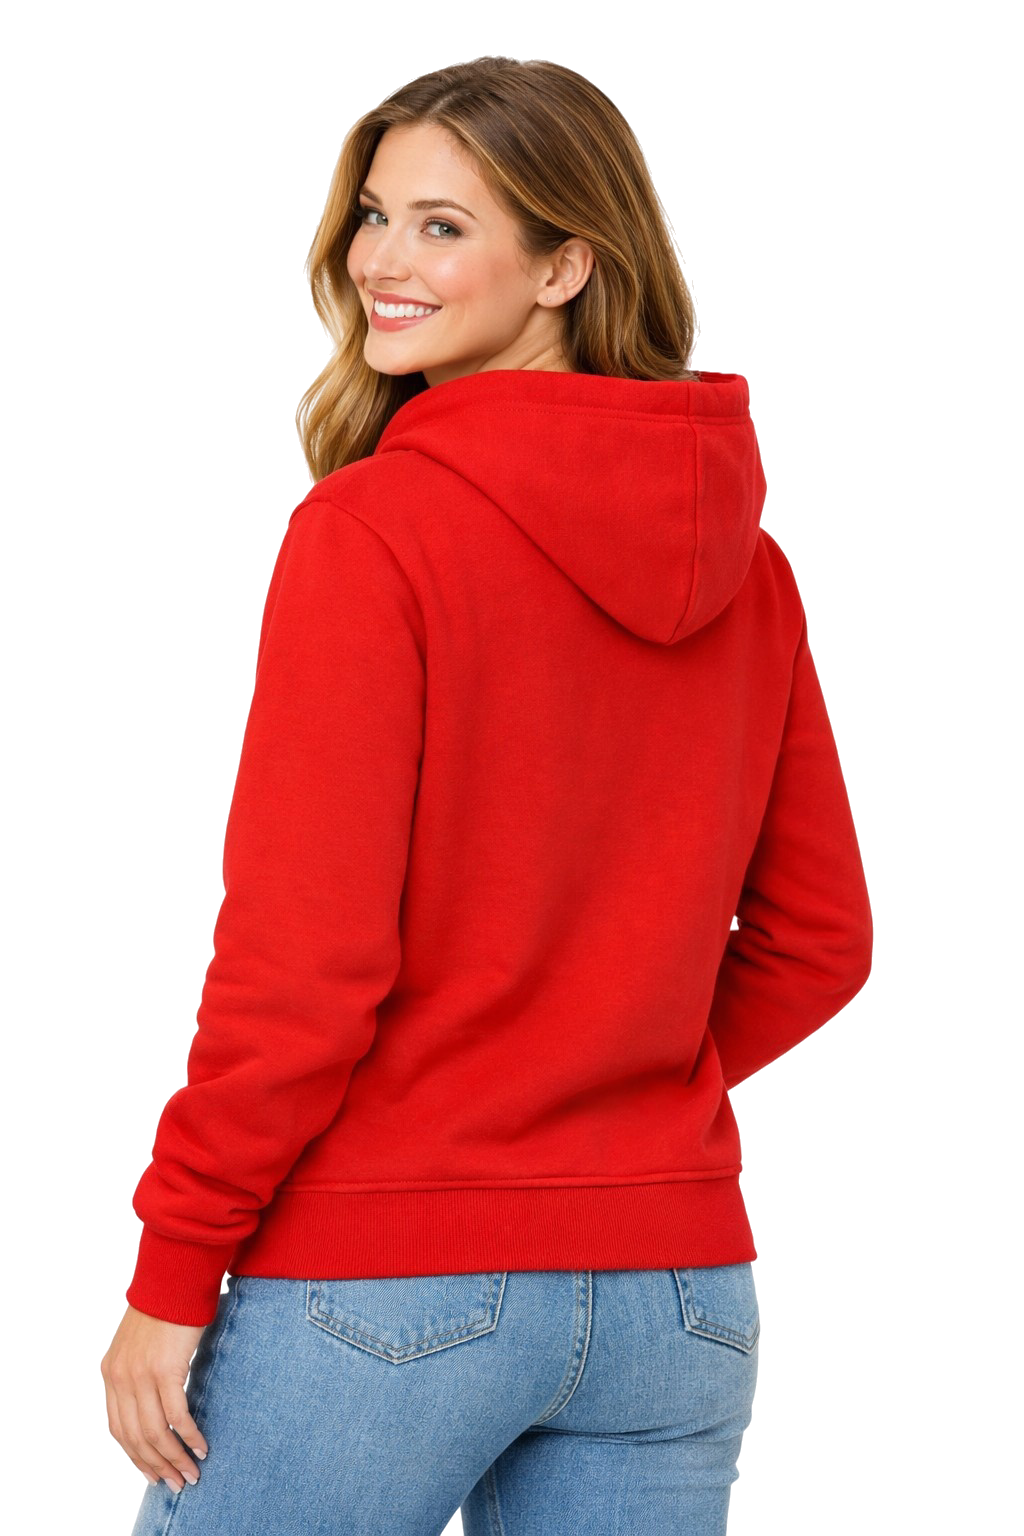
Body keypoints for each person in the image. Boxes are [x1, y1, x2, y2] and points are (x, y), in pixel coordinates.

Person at [102, 55, 872, 1536]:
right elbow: (820, 940)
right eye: (374, 214)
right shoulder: (752, 568)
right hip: (675, 1298)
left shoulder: (373, 533)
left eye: (443, 227)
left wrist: (174, 1267)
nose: (380, 261)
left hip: (387, 1284)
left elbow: (301, 967)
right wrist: (603, 1080)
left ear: (566, 266)